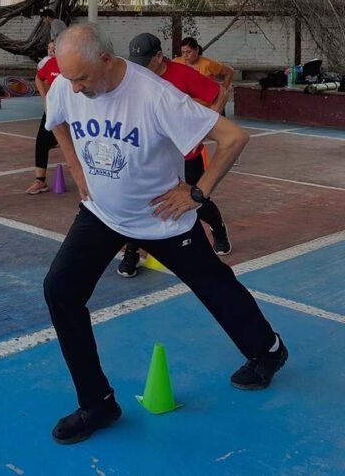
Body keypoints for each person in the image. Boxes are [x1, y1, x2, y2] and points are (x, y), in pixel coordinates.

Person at [42, 23, 286, 445]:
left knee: (214, 287)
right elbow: (58, 120)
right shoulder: (69, 83)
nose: (76, 89)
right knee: (60, 290)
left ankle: (268, 350)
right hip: (101, 214)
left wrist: (197, 191)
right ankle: (97, 403)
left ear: (105, 59)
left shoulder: (155, 96)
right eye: (69, 79)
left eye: (82, 79)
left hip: (161, 217)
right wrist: (77, 168)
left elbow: (233, 137)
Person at [117, 33, 232, 278]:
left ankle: (218, 229)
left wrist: (205, 125)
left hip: (186, 154)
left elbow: (220, 93)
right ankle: (132, 252)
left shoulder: (183, 74)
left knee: (194, 200)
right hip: (150, 153)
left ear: (159, 57)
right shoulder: (134, 77)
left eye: (145, 61)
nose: (140, 68)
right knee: (140, 200)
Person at [26, 40, 60, 194]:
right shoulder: (50, 63)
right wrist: (44, 98)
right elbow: (39, 78)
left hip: (73, 112)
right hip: (52, 109)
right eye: (49, 48)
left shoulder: (71, 63)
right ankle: (40, 181)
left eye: (55, 49)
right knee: (41, 142)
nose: (51, 51)